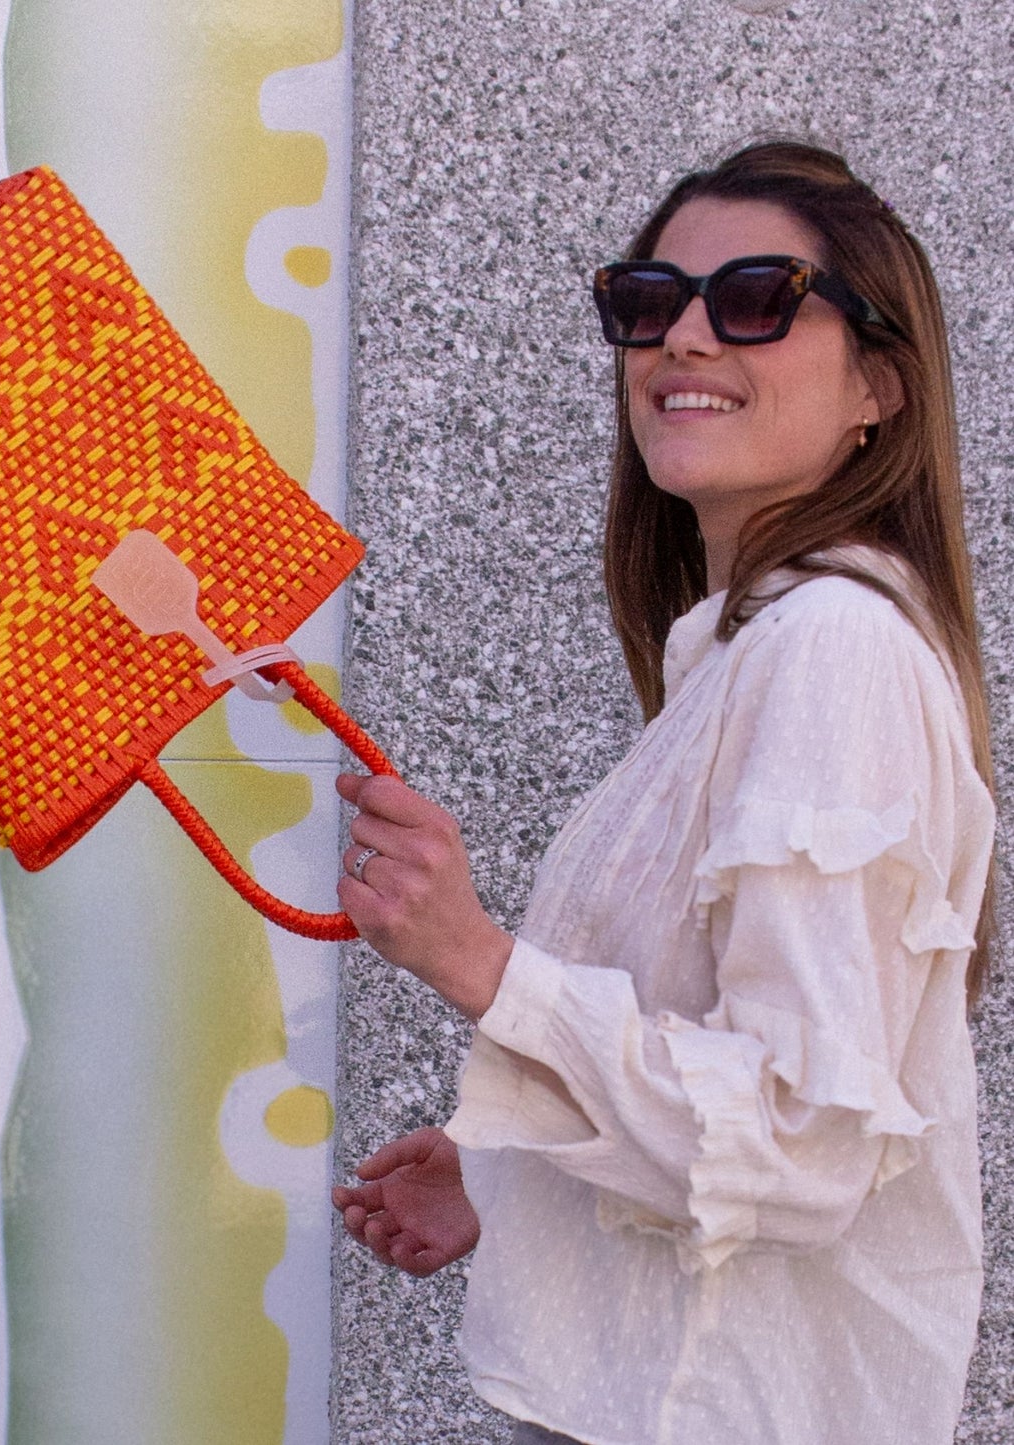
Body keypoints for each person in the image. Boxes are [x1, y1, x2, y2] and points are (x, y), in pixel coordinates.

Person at [331, 140, 997, 1445]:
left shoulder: (830, 649)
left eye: (753, 297)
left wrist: (480, 963)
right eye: (646, 302)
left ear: (878, 384)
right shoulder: (747, 653)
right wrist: (516, 1171)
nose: (681, 337)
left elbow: (801, 1142)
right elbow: (740, 1075)